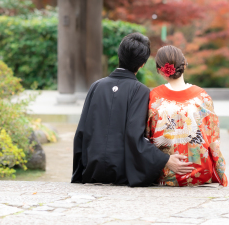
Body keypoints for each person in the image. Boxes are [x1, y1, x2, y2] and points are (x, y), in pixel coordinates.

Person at [72, 32, 193, 187]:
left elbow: (81, 132)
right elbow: (134, 136)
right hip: (122, 172)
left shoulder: (97, 86)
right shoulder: (140, 91)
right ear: (142, 64)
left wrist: (78, 175)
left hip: (92, 170)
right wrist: (166, 160)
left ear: (119, 55)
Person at [147, 45, 227, 186]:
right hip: (200, 173)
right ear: (184, 65)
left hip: (167, 174)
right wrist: (220, 172)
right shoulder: (202, 97)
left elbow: (147, 136)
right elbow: (213, 139)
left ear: (160, 70)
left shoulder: (154, 98)